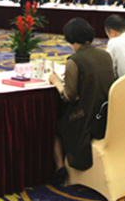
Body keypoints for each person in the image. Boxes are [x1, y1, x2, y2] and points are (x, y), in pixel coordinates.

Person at [48, 18, 117, 186]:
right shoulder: (105, 55)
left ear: (70, 38)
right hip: (106, 114)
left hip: (85, 120)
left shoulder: (75, 61)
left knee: (53, 124)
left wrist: (57, 82)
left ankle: (59, 167)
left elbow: (69, 96)